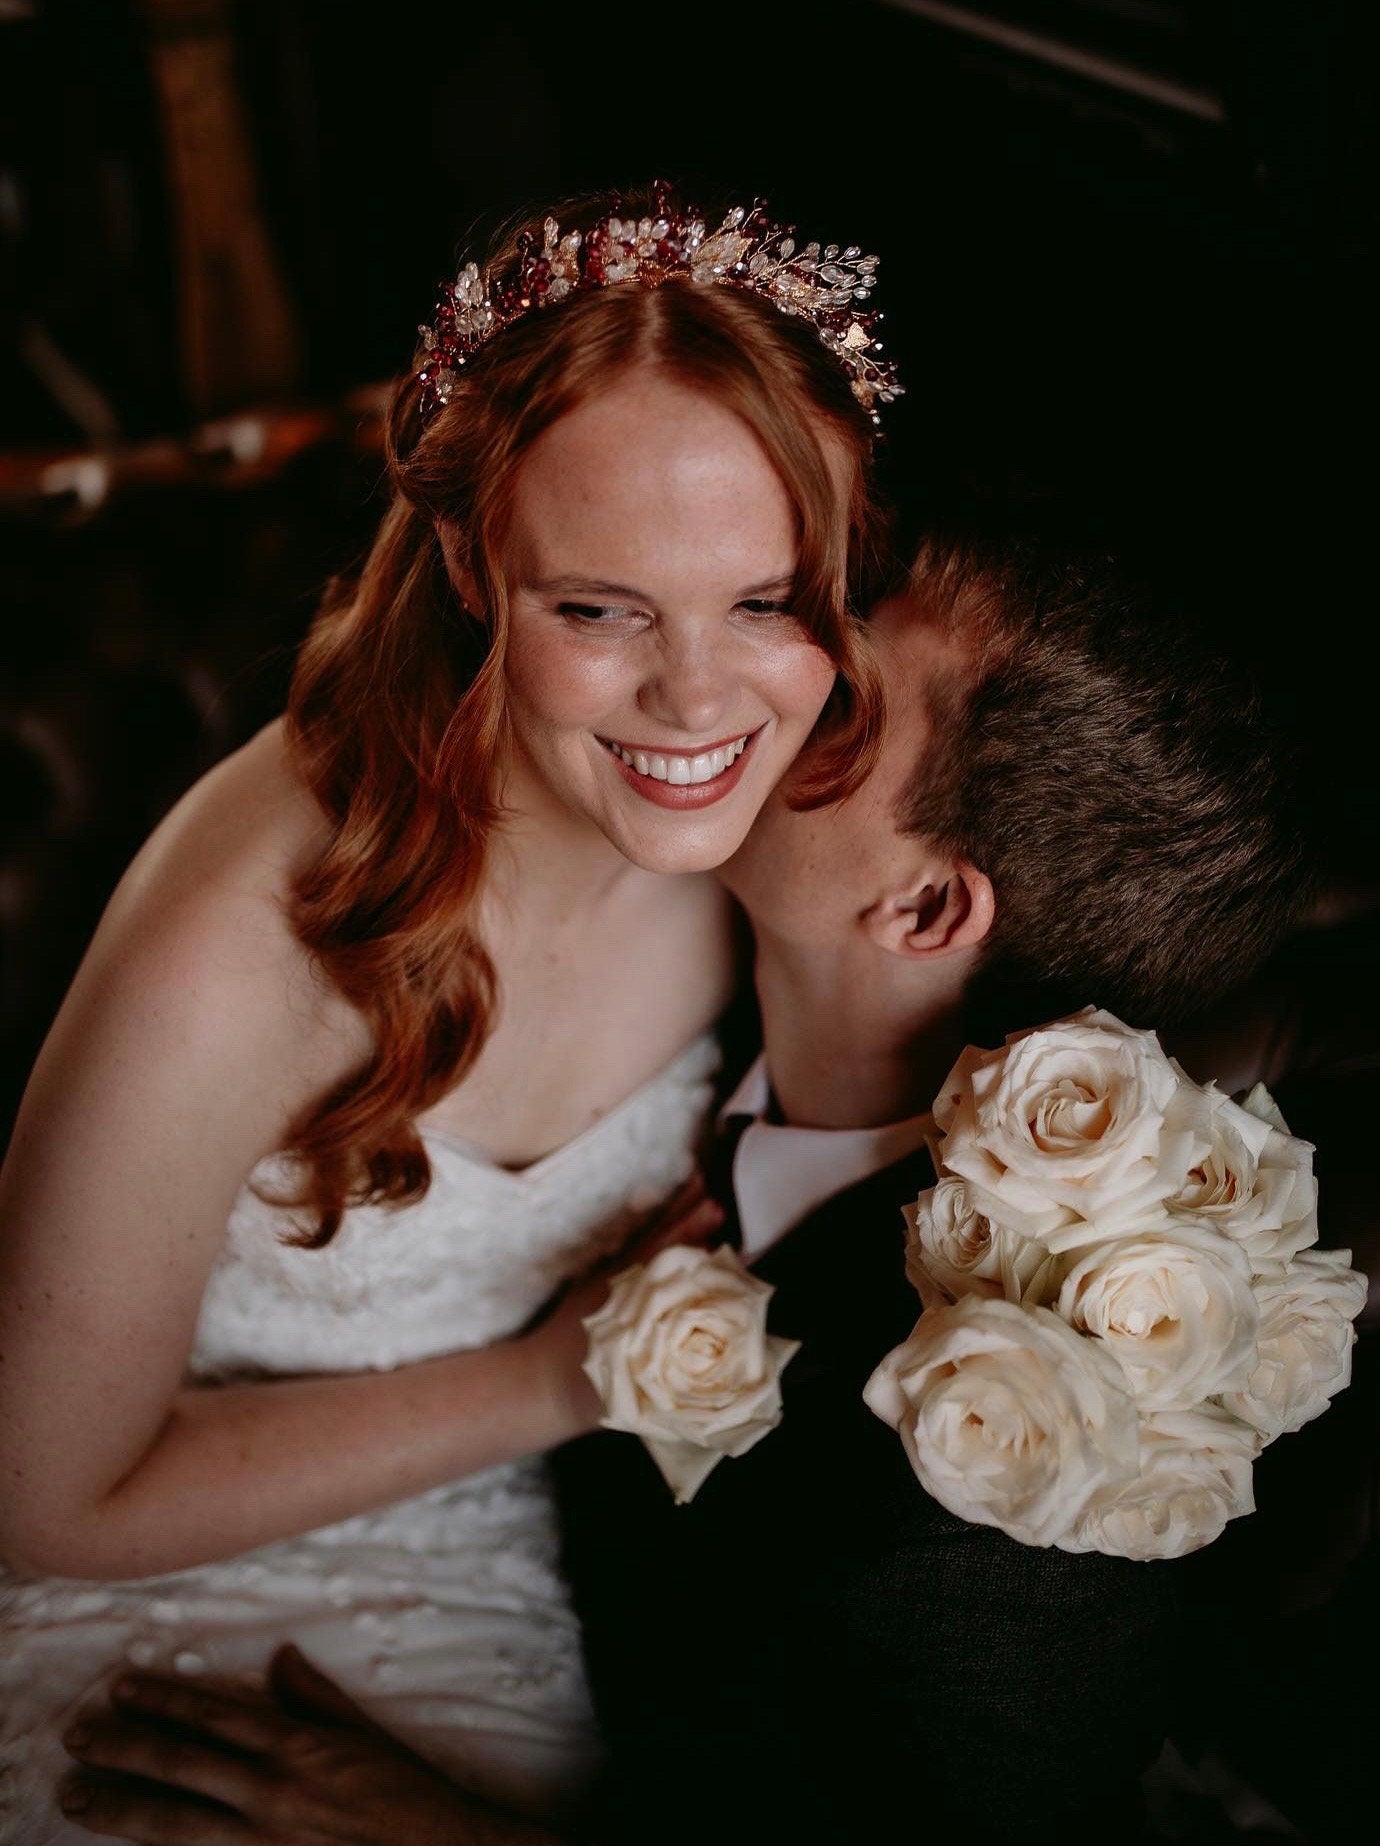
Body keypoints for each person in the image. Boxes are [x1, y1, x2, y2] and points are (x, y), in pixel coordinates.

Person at [52, 525, 1318, 1843]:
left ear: (926, 914)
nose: (776, 669)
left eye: (853, 697)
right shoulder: (715, 958)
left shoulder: (997, 1471)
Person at [0, 181, 896, 1841]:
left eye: (767, 598)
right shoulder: (248, 937)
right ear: (477, 567)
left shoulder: (793, 811)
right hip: (155, 1600)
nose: (698, 702)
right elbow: (38, 1499)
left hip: (542, 1584)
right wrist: (561, 1381)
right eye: (599, 606)